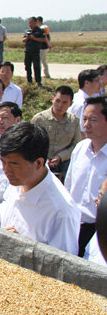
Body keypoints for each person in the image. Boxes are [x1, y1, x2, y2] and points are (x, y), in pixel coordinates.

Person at [0, 122, 80, 255]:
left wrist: (24, 248)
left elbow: (64, 266)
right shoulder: (19, 180)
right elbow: (9, 206)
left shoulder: (61, 211)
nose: (6, 170)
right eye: (3, 162)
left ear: (38, 163)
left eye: (13, 164)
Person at [65, 96, 107, 257]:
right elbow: (68, 185)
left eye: (93, 120)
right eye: (84, 119)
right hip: (73, 224)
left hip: (99, 229)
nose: (86, 124)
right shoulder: (80, 148)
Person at [32, 86, 82, 180]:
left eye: (64, 102)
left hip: (65, 162)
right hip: (42, 161)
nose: (60, 105)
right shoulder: (39, 119)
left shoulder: (74, 121)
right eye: (57, 101)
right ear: (52, 99)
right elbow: (33, 143)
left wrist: (61, 157)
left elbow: (76, 144)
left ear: (71, 104)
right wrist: (44, 157)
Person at [68, 69, 102, 136]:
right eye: (97, 81)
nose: (100, 83)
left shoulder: (78, 97)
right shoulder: (81, 104)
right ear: (87, 83)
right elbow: (82, 132)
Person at [22, 17, 46, 87]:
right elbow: (23, 40)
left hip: (35, 51)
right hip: (27, 51)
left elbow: (43, 39)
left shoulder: (40, 30)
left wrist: (34, 38)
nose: (30, 24)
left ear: (35, 22)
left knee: (36, 67)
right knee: (27, 66)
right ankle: (29, 81)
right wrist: (27, 38)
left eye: (31, 22)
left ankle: (38, 81)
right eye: (29, 22)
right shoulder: (27, 31)